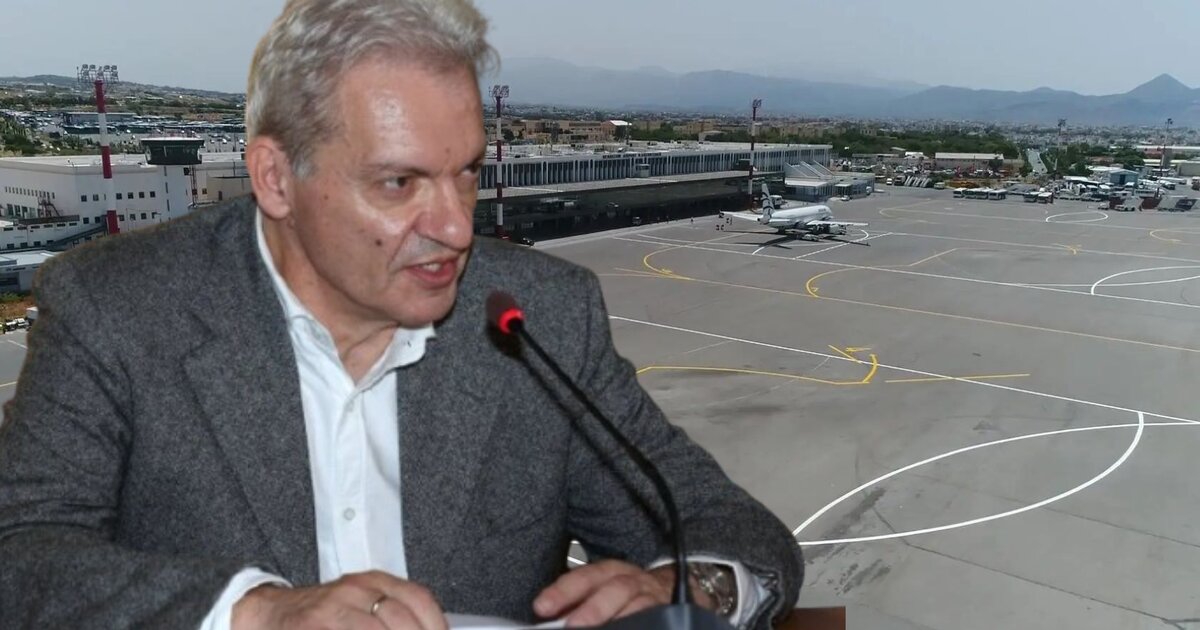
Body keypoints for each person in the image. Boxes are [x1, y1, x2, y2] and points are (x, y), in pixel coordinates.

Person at [0, 1, 802, 629]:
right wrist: (252, 613)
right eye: (399, 183)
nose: (455, 227)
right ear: (275, 179)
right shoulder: (114, 306)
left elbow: (726, 524)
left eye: (466, 173)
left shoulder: (544, 316)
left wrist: (690, 589)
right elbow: (20, 555)